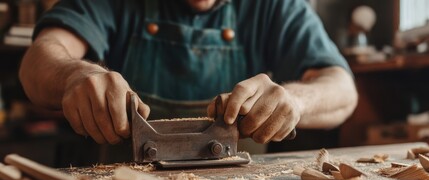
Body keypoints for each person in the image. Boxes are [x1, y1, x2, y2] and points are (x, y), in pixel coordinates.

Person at [19, 0, 357, 155]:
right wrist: (74, 74)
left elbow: (342, 89)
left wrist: (295, 100)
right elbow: (38, 59)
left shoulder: (275, 7)